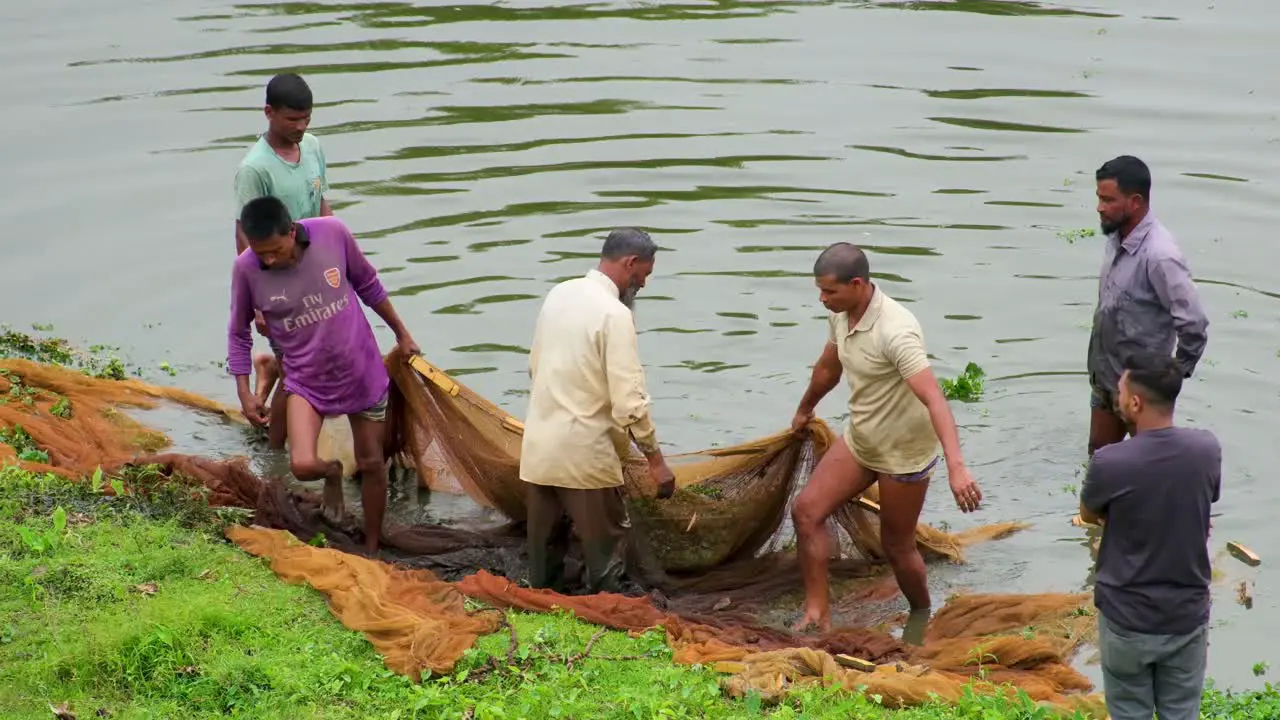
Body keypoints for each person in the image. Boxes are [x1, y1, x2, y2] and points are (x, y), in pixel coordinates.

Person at [788, 242, 982, 635]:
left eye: (830, 291)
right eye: (820, 290)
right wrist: (805, 409)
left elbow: (934, 398)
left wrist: (957, 468)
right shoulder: (841, 315)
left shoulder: (896, 330)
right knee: (806, 512)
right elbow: (828, 369)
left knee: (897, 546)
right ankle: (816, 613)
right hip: (862, 440)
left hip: (903, 454)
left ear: (857, 284)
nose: (822, 299)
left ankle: (922, 619)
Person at [227, 196, 419, 554]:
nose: (267, 260)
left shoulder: (332, 233)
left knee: (371, 462)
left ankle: (373, 547)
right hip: (306, 379)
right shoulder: (246, 269)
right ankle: (331, 473)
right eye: (259, 253)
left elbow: (369, 285)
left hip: (361, 371)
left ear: (291, 232)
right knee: (301, 464)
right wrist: (243, 392)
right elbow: (238, 333)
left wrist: (401, 334)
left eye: (274, 251)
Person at [520, 228, 677, 594]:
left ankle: (540, 612)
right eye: (644, 275)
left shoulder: (559, 293)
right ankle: (605, 616)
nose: (643, 285)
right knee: (606, 564)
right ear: (630, 263)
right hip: (585, 457)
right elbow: (629, 402)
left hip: (539, 450)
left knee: (543, 561)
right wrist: (656, 462)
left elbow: (535, 366)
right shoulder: (615, 314)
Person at [1079, 351, 1220, 720]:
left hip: (1126, 619)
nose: (1118, 398)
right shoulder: (1206, 450)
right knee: (1181, 713)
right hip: (1185, 617)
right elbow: (1203, 505)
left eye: (1122, 392)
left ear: (1136, 403)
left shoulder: (1109, 462)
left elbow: (1088, 514)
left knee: (1128, 712)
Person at [233, 72, 333, 449]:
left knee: (316, 357)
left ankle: (272, 370)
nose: (301, 127)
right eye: (292, 120)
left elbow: (323, 207)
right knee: (298, 373)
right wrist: (257, 298)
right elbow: (245, 234)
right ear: (269, 113)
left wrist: (334, 262)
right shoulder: (254, 169)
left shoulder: (314, 148)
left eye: (306, 118)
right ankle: (274, 454)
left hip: (312, 269)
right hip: (276, 278)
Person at [1086, 155, 1208, 456]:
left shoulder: (1160, 255)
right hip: (1106, 381)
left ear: (1135, 202)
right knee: (1099, 464)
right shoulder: (1115, 237)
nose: (1099, 207)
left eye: (1108, 200)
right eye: (1099, 198)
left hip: (1144, 391)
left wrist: (1172, 377)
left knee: (1149, 474)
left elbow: (1193, 323)